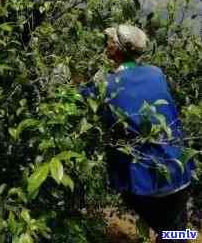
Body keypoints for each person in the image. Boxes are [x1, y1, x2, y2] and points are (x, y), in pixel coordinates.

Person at [79, 24, 195, 243]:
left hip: (145, 181)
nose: (107, 44)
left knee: (172, 233)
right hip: (179, 169)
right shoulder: (156, 73)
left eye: (110, 41)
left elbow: (76, 99)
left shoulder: (105, 83)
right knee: (176, 231)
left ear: (118, 48)